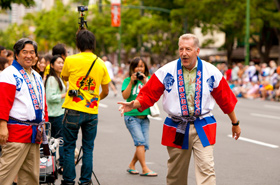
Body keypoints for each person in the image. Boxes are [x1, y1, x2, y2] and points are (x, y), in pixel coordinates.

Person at [118, 33, 241, 185]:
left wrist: (235, 123)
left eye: (188, 49)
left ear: (197, 51)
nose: (184, 53)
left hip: (203, 125)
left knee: (207, 170)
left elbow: (225, 99)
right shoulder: (166, 71)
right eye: (181, 49)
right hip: (177, 126)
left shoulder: (212, 71)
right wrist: (133, 104)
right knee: (176, 175)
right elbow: (149, 94)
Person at [60, 29, 110, 185]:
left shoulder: (70, 60)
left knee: (69, 147)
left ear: (78, 44)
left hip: (73, 110)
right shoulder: (101, 63)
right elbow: (106, 91)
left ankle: (68, 181)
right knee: (88, 148)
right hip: (91, 111)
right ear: (93, 44)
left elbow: (64, 77)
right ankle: (85, 181)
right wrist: (95, 99)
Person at [0, 38, 48, 185]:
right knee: (4, 175)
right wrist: (2, 126)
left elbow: (42, 101)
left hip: (34, 133)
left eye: (32, 52)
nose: (29, 56)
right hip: (16, 132)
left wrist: (44, 122)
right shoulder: (9, 73)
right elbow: (3, 102)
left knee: (31, 177)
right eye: (24, 52)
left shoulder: (37, 75)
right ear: (16, 55)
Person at [121, 57, 157, 177]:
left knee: (144, 145)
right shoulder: (127, 80)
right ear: (132, 68)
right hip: (131, 117)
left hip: (144, 117)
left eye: (141, 66)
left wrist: (145, 81)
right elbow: (125, 96)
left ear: (145, 68)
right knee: (140, 143)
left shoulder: (149, 80)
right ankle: (145, 168)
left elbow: (154, 92)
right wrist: (131, 82)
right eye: (136, 66)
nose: (139, 69)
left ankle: (132, 165)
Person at [45, 55, 66, 174]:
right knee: (60, 140)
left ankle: (52, 166)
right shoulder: (52, 79)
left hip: (57, 113)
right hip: (55, 114)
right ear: (52, 65)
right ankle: (61, 165)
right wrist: (66, 95)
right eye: (58, 63)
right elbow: (51, 97)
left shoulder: (57, 77)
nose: (61, 65)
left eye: (62, 63)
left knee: (53, 141)